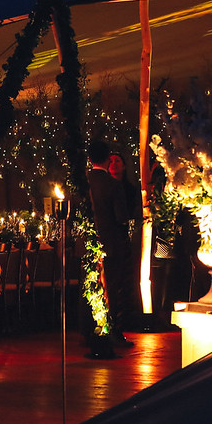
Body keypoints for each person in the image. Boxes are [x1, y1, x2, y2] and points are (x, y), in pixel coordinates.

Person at [87, 139, 135, 350]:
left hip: (88, 243)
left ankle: (91, 329)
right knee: (112, 289)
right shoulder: (113, 185)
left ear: (89, 159)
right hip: (111, 242)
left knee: (91, 286)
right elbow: (121, 217)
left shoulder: (82, 182)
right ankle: (113, 330)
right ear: (107, 159)